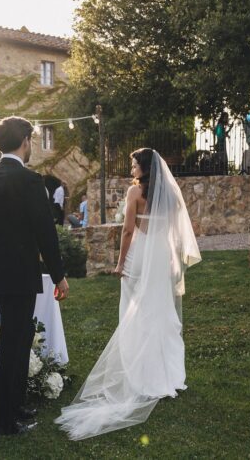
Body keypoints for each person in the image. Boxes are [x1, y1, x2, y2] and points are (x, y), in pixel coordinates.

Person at [56, 148, 201, 440]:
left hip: (139, 255)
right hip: (161, 257)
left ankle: (140, 374)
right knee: (161, 312)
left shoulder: (135, 193)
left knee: (135, 311)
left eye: (134, 164)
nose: (131, 168)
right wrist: (172, 262)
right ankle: (168, 375)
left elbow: (127, 232)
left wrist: (121, 263)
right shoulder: (171, 195)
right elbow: (174, 232)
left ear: (145, 167)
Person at [0, 116, 69, 436]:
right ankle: (5, 422)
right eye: (31, 140)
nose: (32, 146)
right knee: (13, 344)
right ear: (25, 141)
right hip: (19, 273)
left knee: (21, 335)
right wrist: (59, 276)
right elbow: (46, 233)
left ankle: (16, 405)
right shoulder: (31, 181)